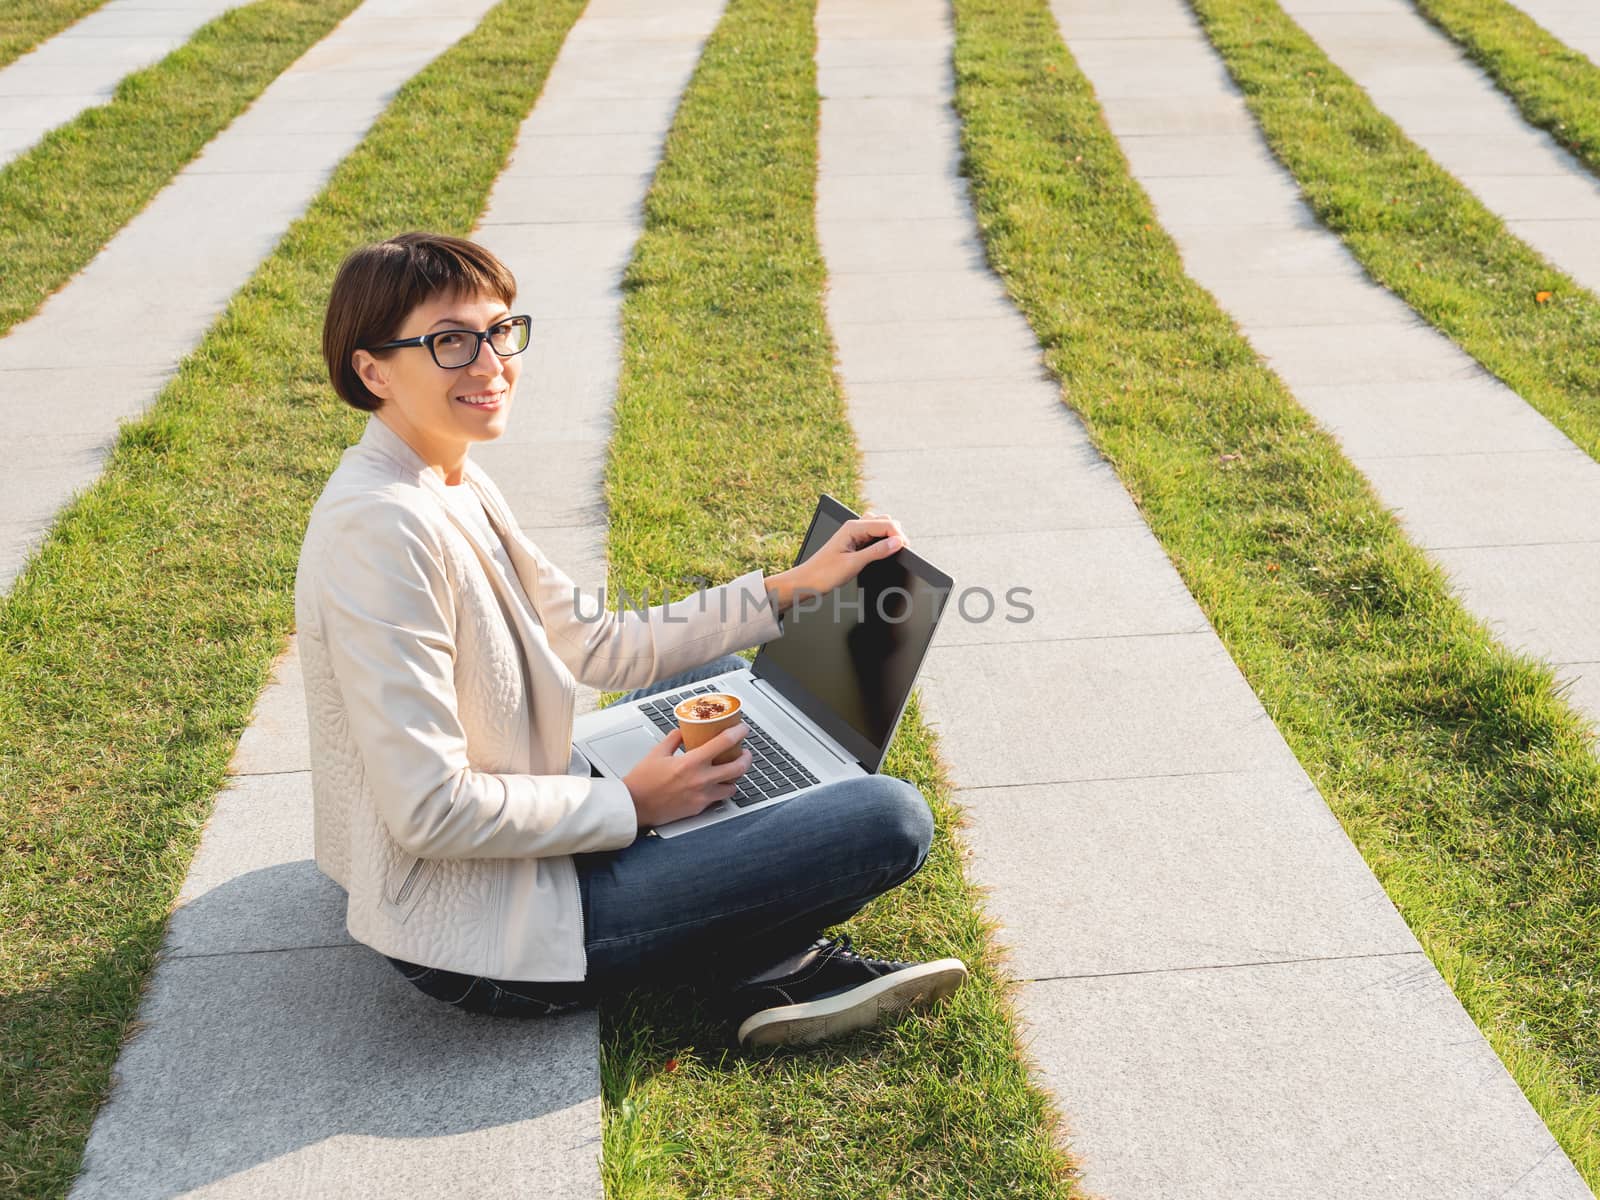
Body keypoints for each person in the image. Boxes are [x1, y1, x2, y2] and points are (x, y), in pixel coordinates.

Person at [294, 231, 967, 1050]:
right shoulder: (384, 532)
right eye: (450, 342)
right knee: (888, 818)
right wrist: (635, 804)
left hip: (537, 823)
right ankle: (764, 961)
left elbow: (600, 644)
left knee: (720, 679)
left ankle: (754, 945)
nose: (490, 363)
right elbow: (429, 811)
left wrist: (792, 589)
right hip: (487, 937)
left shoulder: (445, 477)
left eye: (501, 331)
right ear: (373, 370)